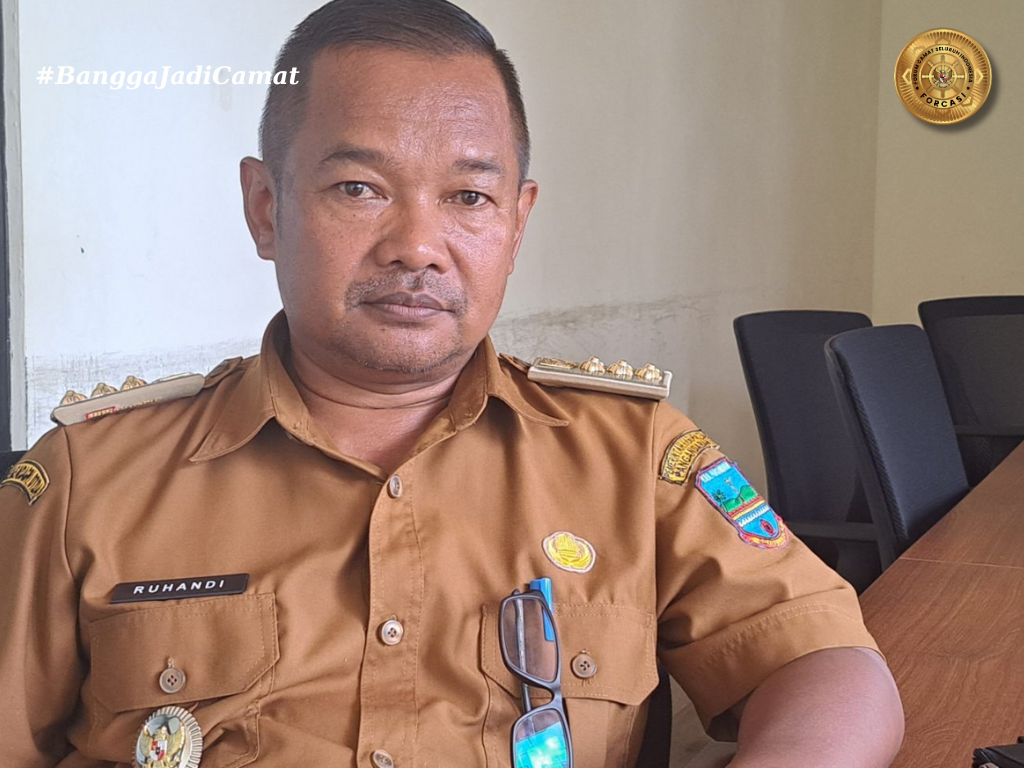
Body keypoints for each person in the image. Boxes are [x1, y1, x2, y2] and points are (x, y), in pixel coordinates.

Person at [0, 1, 903, 766]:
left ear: (516, 221)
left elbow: (823, 660)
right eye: (359, 188)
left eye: (469, 197)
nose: (417, 247)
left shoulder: (633, 456)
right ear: (266, 208)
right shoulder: (90, 481)